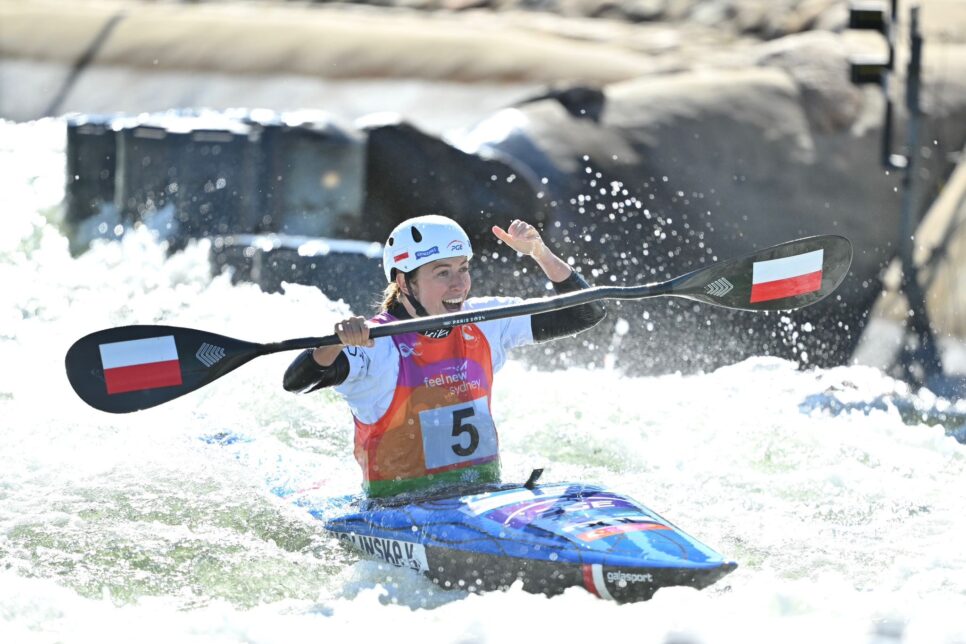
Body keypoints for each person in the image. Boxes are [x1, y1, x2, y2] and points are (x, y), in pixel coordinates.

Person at [283, 215, 605, 498]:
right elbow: (296, 382)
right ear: (404, 282)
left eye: (463, 269)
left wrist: (540, 252)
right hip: (399, 509)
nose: (459, 285)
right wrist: (334, 344)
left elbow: (586, 313)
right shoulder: (376, 343)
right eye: (442, 273)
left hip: (482, 497)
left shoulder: (486, 321)